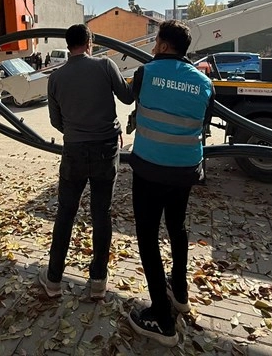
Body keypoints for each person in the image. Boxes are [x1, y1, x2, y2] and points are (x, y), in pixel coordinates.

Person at [127, 20, 214, 347]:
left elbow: (131, 101)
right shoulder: (205, 83)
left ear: (163, 44)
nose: (153, 47)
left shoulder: (145, 73)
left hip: (150, 169)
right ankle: (179, 292)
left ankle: (161, 319)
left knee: (147, 237)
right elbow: (203, 122)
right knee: (177, 227)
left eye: (156, 41)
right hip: (185, 170)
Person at [39, 24, 134, 300]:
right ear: (90, 43)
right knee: (101, 213)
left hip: (74, 153)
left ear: (68, 46)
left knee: (66, 213)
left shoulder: (55, 78)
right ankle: (98, 282)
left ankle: (54, 279)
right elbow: (127, 96)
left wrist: (77, 129)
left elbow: (56, 122)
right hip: (106, 150)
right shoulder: (105, 66)